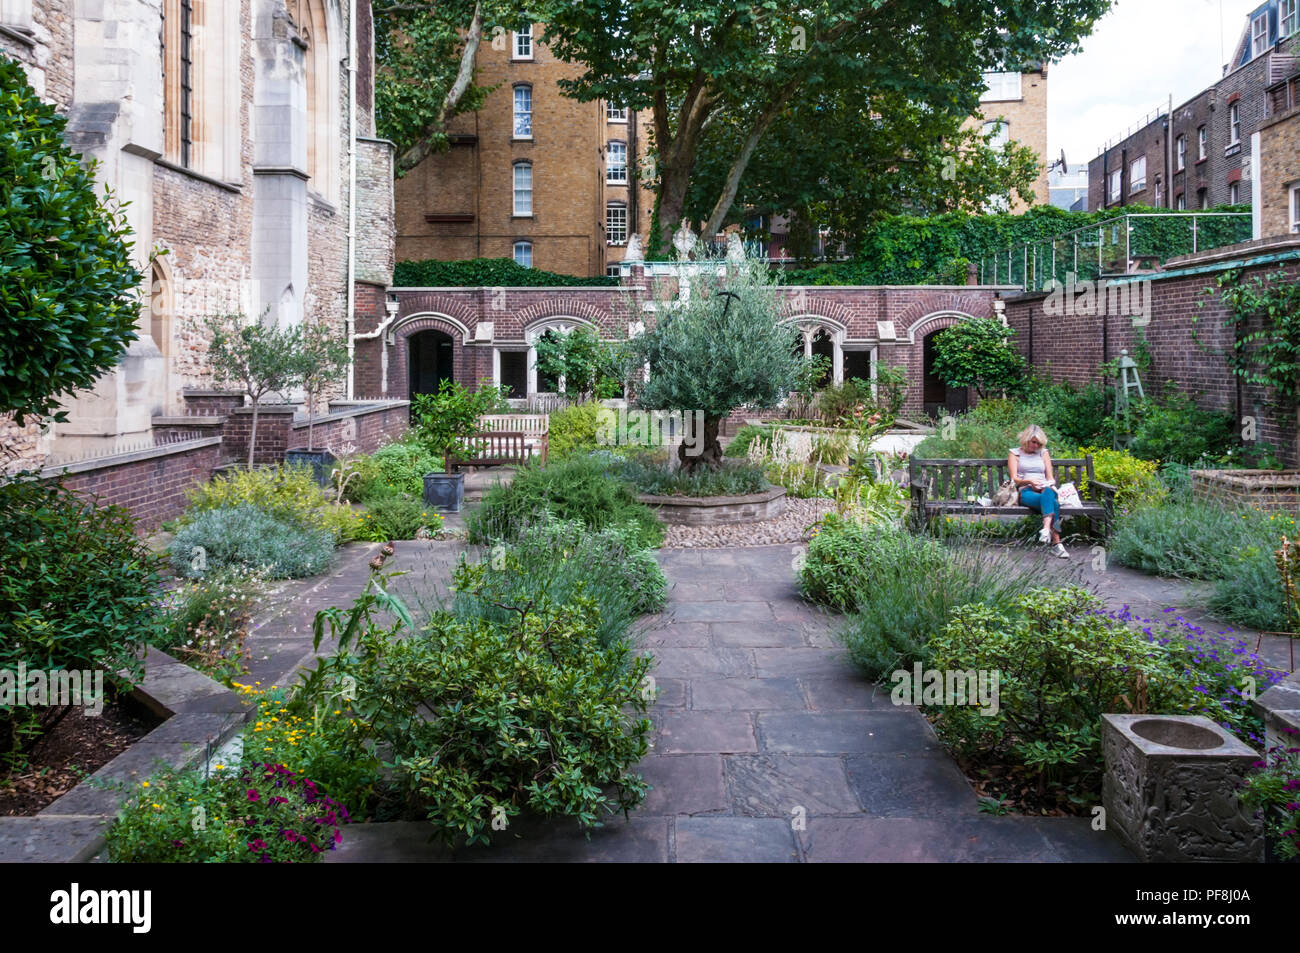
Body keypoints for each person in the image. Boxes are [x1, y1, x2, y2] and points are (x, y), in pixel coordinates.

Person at [1009, 425, 1069, 558]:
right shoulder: (1015, 453)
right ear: (1026, 439)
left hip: (1045, 489)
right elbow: (1015, 479)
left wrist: (1045, 484)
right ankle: (1056, 544)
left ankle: (1046, 529)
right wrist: (1030, 482)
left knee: (1048, 492)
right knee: (1053, 503)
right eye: (1034, 442)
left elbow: (1050, 478)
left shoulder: (1044, 453)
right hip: (1027, 491)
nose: (1036, 446)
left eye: (1039, 443)